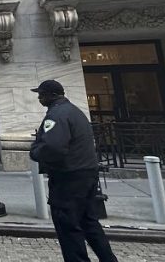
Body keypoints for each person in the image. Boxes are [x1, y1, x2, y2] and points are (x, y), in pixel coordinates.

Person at [29, 80, 118, 262]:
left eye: (42, 94)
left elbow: (53, 147)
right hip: (86, 173)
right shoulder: (74, 111)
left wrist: (35, 151)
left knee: (68, 227)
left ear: (53, 95)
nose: (39, 98)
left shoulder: (57, 115)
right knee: (88, 222)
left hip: (69, 177)